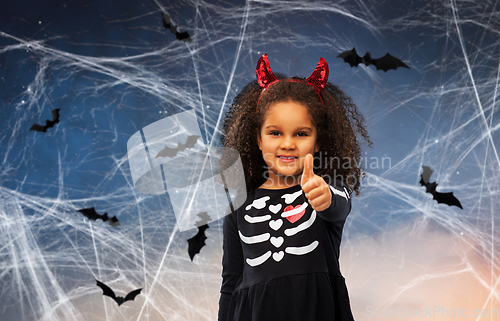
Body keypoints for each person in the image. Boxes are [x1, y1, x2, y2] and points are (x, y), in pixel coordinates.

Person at [217, 54, 372, 321]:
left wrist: (323, 196)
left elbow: (338, 205)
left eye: (301, 133)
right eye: (275, 133)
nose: (287, 144)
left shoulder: (327, 189)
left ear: (319, 141)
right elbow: (230, 283)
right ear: (257, 140)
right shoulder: (238, 207)